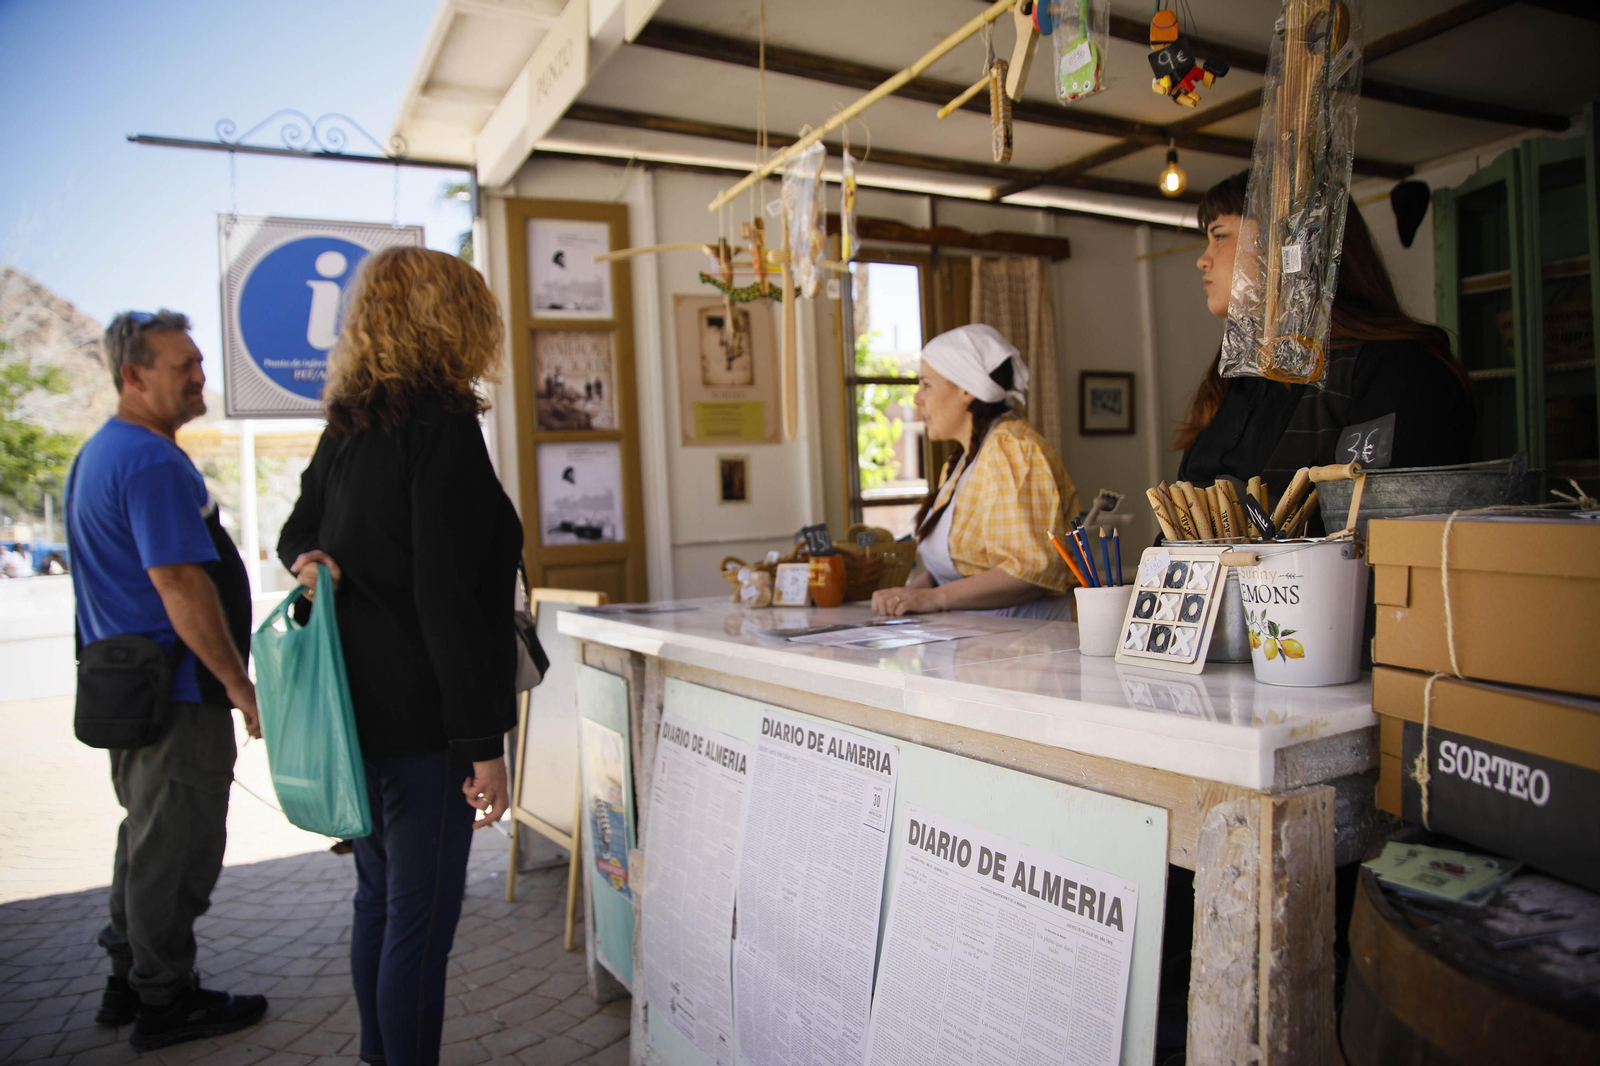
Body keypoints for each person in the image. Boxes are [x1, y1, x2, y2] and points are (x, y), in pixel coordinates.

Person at [277, 247, 522, 1066]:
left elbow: (295, 531)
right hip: (425, 728)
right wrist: (482, 747)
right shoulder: (440, 431)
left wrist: (313, 560)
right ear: (454, 321)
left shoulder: (349, 425)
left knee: (380, 907)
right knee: (415, 931)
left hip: (358, 715)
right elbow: (447, 604)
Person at [67, 310, 264, 1045]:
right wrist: (237, 687)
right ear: (133, 376)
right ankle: (164, 1000)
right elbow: (179, 583)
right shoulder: (149, 461)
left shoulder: (102, 453)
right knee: (175, 850)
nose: (198, 377)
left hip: (129, 692)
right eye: (183, 365)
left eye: (199, 363)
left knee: (145, 838)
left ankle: (129, 978)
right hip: (176, 695)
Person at [1176, 169, 1473, 501]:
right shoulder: (1237, 377)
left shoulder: (1396, 367)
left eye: (1219, 235)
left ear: (1289, 244)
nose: (1203, 260)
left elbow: (1398, 527)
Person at [871, 324, 1081, 620]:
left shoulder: (1013, 450)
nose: (918, 399)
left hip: (1026, 642)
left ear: (966, 389)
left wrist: (934, 598)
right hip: (980, 636)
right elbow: (963, 567)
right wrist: (910, 595)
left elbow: (1030, 571)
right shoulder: (961, 463)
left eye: (927, 385)